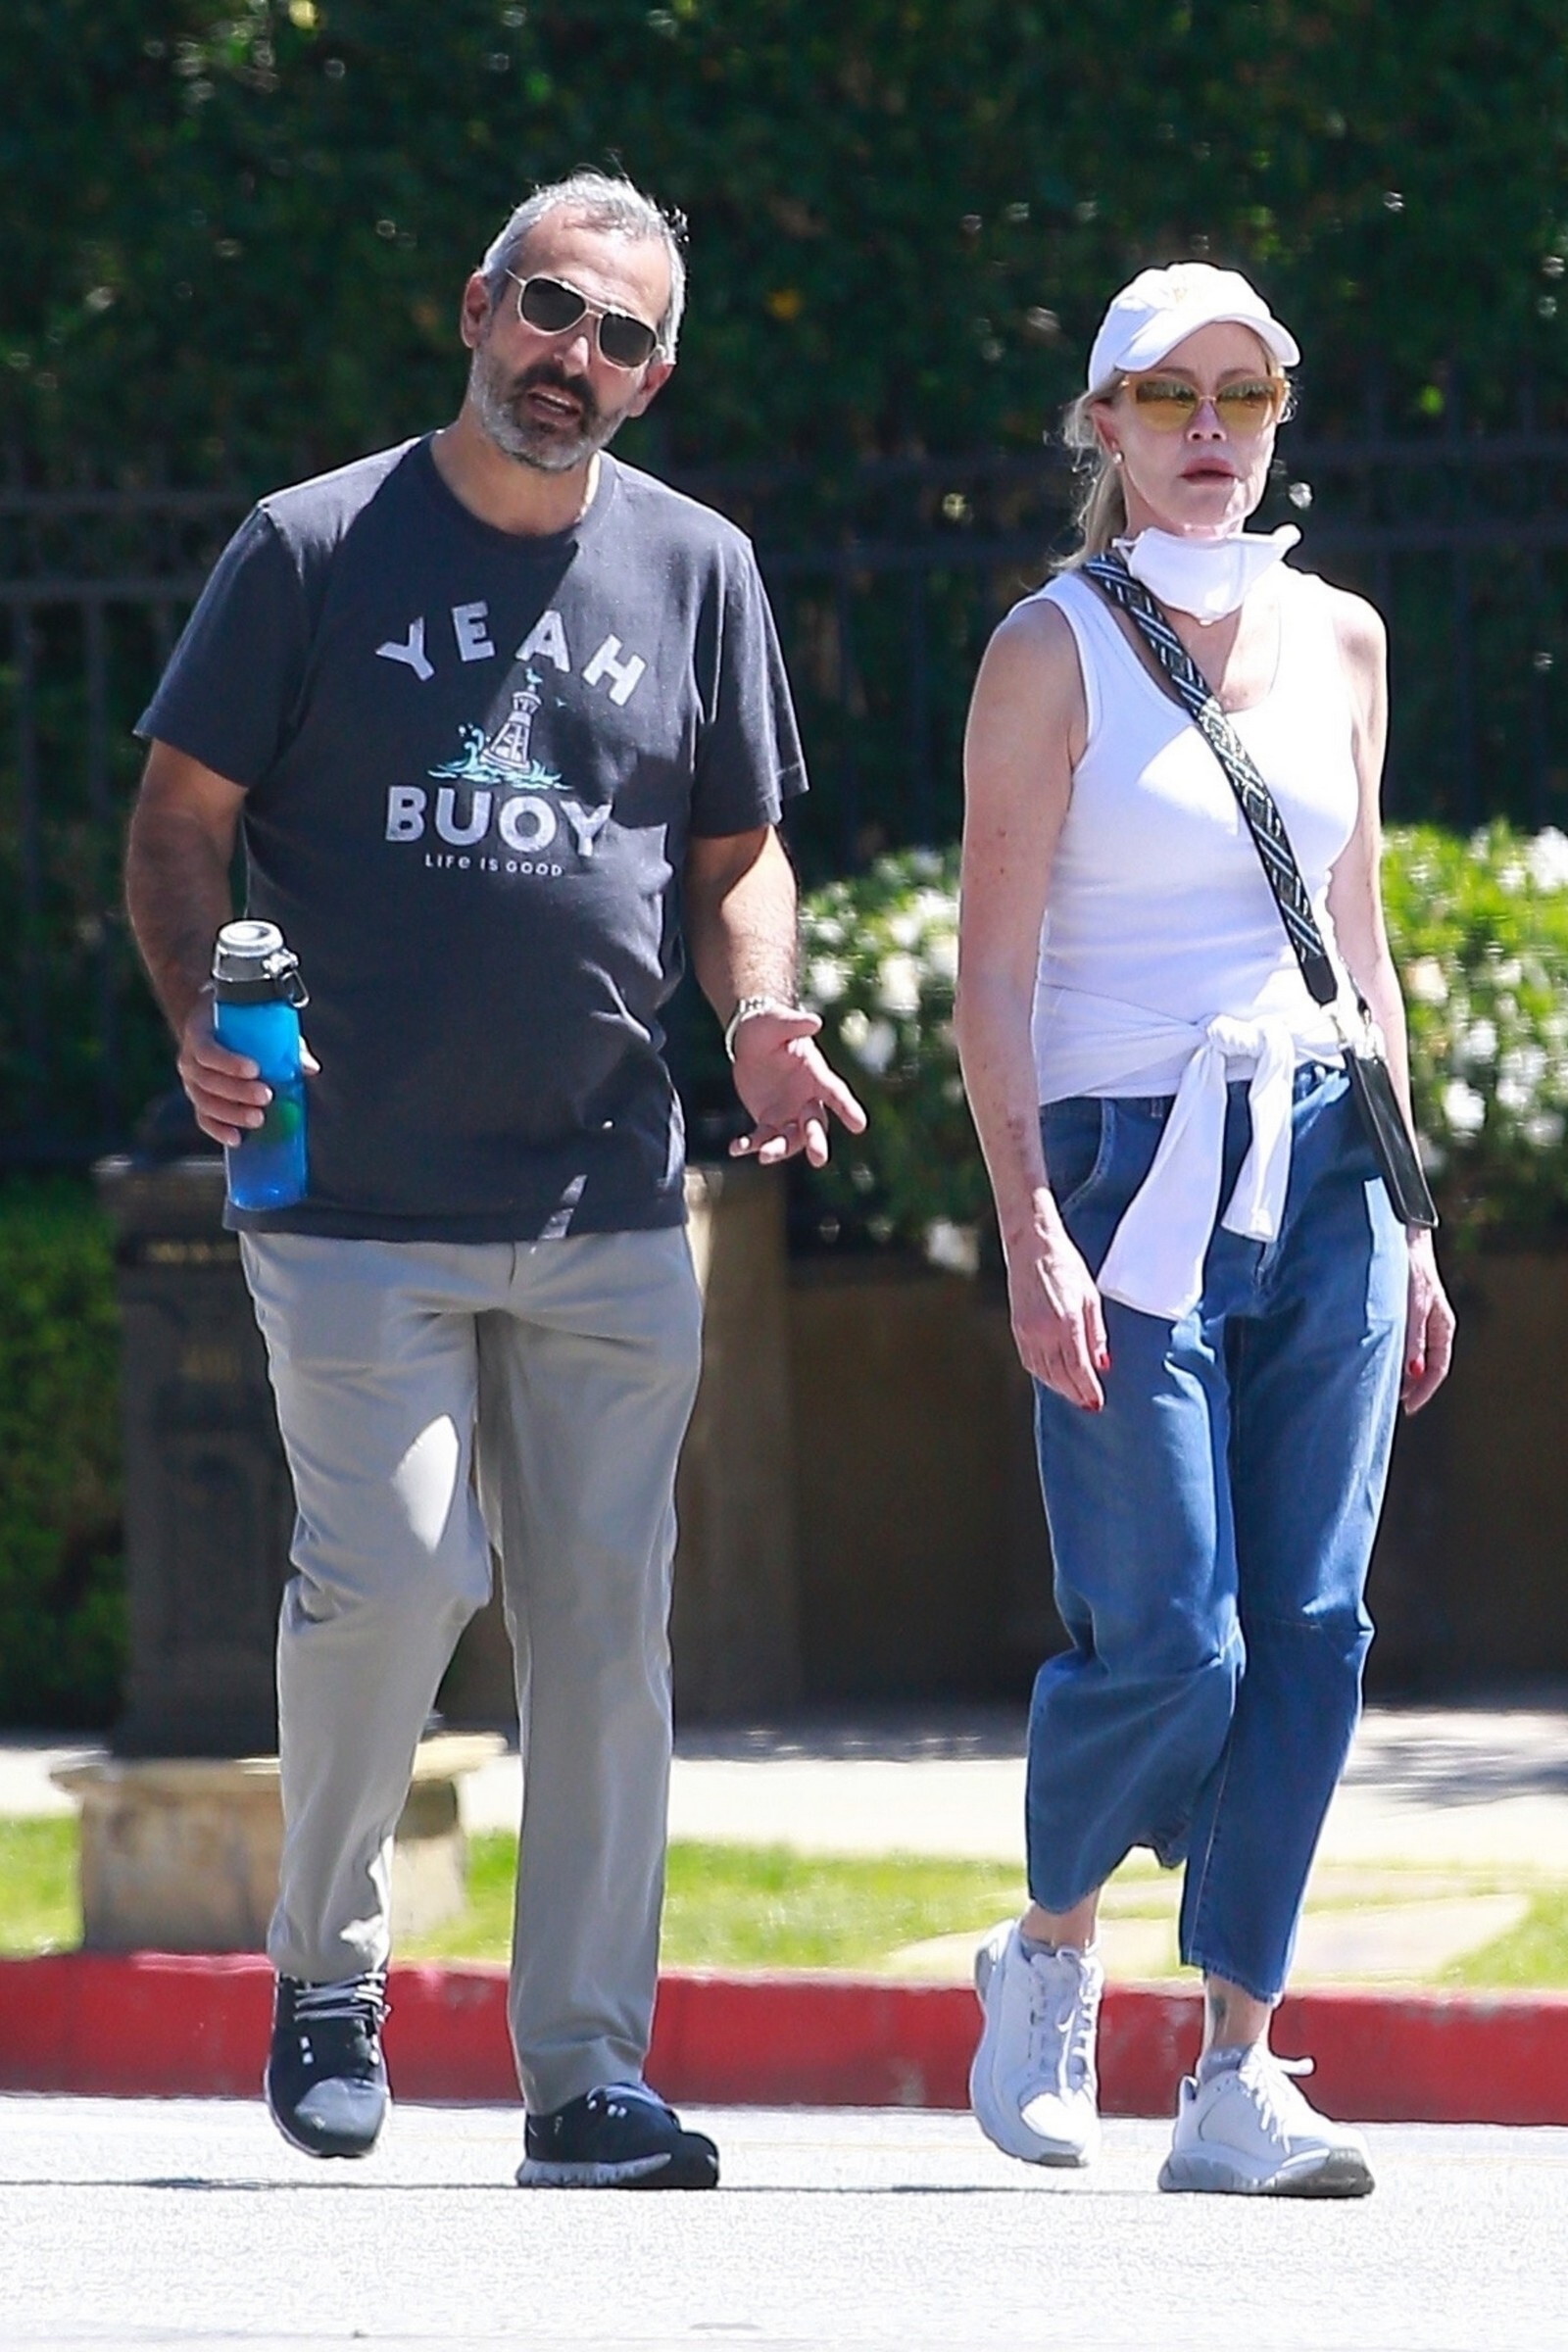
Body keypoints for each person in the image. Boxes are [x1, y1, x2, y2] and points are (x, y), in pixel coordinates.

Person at [125, 170, 863, 2189]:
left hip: (607, 1196)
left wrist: (760, 1014)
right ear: (476, 307)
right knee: (392, 1575)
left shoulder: (697, 568)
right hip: (348, 1187)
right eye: (551, 309)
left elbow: (737, 850)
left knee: (603, 1630)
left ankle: (588, 2076)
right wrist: (197, 1019)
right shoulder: (310, 547)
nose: (575, 358)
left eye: (623, 337)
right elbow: (179, 817)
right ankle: (327, 1967)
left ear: (654, 376)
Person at [956, 262, 1454, 2196]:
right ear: (1103, 423)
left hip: (1324, 1159)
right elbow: (992, 973)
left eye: (1241, 396)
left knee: (1312, 1624)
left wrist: (1410, 1219)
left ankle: (1235, 2070)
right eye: (1167, 397)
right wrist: (1028, 1223)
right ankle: (1050, 1942)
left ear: (1277, 417)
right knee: (1173, 1633)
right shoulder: (1049, 650)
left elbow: (1358, 939)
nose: (1207, 432)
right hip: (1118, 1167)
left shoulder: (1342, 638)